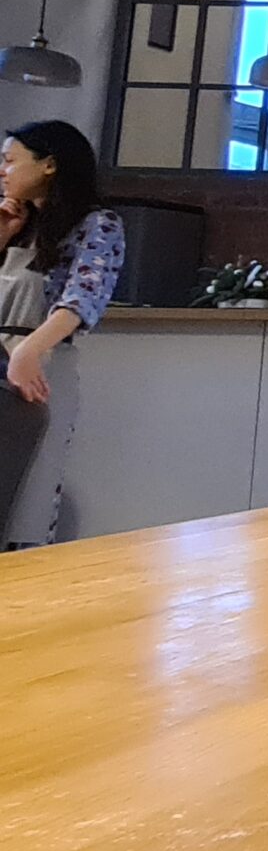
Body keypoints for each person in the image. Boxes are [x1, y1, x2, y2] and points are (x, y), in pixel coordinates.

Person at [1, 120, 124, 547]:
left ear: (49, 165)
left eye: (10, 160)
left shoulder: (98, 225)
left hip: (39, 368)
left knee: (28, 501)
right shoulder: (17, 224)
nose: (3, 171)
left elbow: (83, 299)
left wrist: (27, 352)